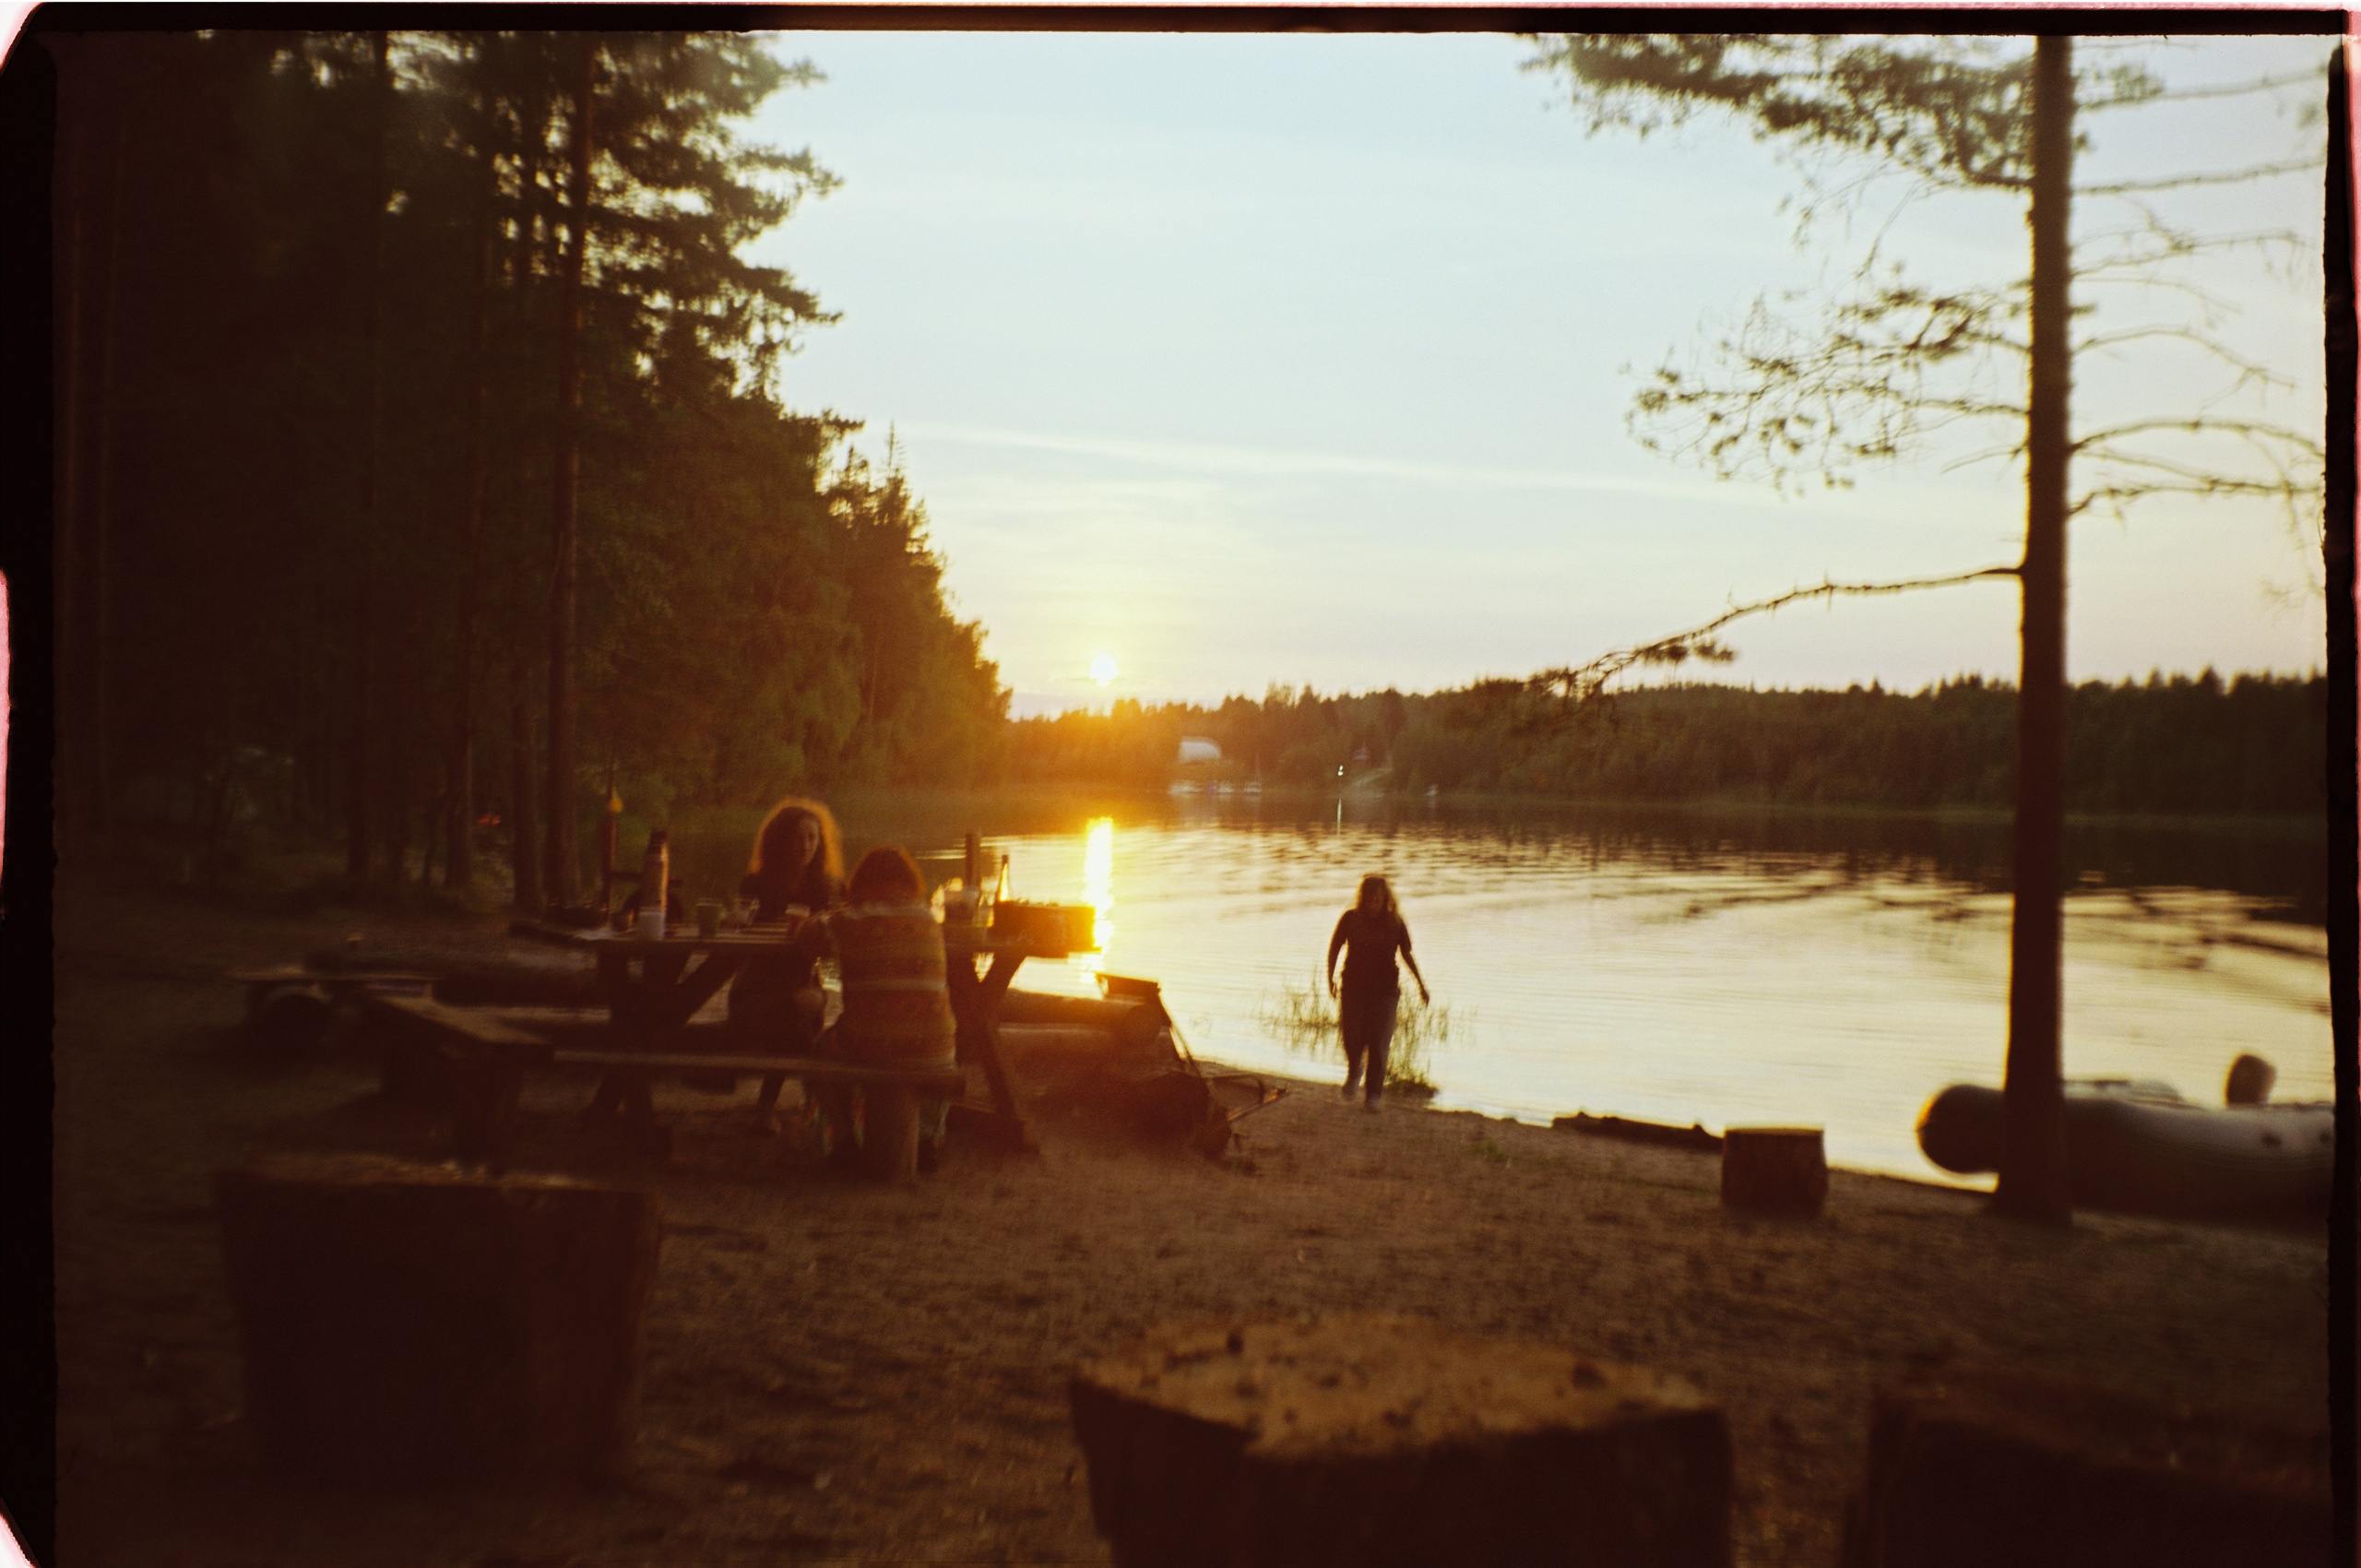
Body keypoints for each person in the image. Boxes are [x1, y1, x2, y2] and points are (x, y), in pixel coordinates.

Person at [805, 846, 959, 1174]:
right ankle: (927, 1137)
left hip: (873, 1046)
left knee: (819, 1052)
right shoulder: (928, 918)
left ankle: (845, 1141)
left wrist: (824, 915)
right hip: (938, 1050)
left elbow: (807, 936)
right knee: (933, 1040)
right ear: (909, 882)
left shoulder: (851, 918)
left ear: (860, 883)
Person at [727, 796, 845, 1130]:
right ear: (779, 841)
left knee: (795, 1011)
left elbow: (847, 927)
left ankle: (768, 1107)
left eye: (811, 838)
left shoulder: (826, 887)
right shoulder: (756, 885)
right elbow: (740, 932)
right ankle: (805, 1098)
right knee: (795, 1022)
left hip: (804, 989)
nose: (804, 846)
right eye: (796, 838)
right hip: (756, 988)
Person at [1325, 873, 1428, 1111]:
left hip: (1385, 991)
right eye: (1368, 898)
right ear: (1361, 898)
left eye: (1378, 899)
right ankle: (1355, 1070)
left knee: (1379, 1043)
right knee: (1351, 1037)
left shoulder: (1395, 923)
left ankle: (1373, 1095)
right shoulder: (1350, 919)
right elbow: (1334, 947)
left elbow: (1406, 954)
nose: (1373, 903)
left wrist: (1421, 985)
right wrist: (1329, 977)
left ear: (1385, 899)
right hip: (1353, 987)